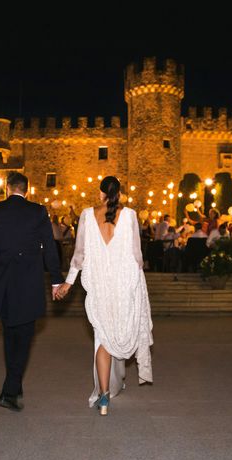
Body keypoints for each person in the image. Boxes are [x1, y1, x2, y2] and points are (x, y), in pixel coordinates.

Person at [55, 176, 153, 416]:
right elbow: (137, 256)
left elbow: (79, 255)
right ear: (119, 193)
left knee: (103, 340)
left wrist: (68, 283)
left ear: (101, 194)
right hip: (124, 285)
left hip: (100, 287)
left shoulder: (87, 215)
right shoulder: (130, 215)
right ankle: (112, 387)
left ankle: (104, 397)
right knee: (117, 335)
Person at [0, 172, 63, 412]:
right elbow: (49, 247)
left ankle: (13, 384)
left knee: (10, 334)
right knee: (24, 336)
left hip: (3, 282)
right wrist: (56, 280)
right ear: (26, 190)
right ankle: (10, 389)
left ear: (7, 188)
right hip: (28, 283)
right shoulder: (38, 212)